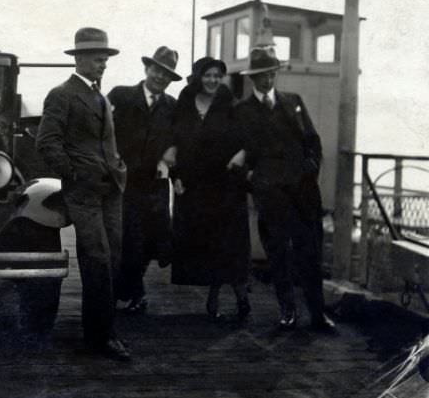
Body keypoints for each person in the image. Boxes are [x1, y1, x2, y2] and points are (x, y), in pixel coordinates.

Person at [36, 27, 130, 362]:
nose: (103, 62)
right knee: (97, 259)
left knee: (113, 258)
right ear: (78, 59)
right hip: (84, 191)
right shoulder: (62, 94)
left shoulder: (100, 96)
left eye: (105, 58)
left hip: (111, 190)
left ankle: (103, 330)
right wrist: (75, 174)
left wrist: (117, 167)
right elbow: (47, 141)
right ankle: (100, 338)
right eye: (96, 57)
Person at [234, 47, 335, 332]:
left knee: (310, 252)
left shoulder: (294, 102)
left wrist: (310, 171)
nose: (267, 80)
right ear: (252, 77)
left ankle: (318, 314)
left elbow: (312, 141)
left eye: (271, 73)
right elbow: (234, 155)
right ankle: (287, 310)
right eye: (261, 75)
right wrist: (254, 181)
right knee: (278, 252)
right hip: (270, 193)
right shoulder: (241, 111)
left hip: (303, 191)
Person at [168, 56, 251, 322]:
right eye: (208, 75)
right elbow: (173, 141)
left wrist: (242, 154)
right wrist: (175, 175)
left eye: (218, 75)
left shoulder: (229, 102)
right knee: (207, 244)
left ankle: (242, 297)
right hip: (195, 185)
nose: (213, 80)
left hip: (226, 184)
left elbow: (249, 137)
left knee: (231, 243)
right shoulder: (184, 101)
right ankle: (213, 295)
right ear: (198, 76)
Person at [107, 45, 181, 315]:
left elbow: (180, 137)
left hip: (156, 184)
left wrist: (173, 151)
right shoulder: (121, 95)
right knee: (128, 240)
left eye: (166, 74)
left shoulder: (172, 106)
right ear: (147, 68)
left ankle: (129, 292)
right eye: (157, 70)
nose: (160, 77)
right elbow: (103, 131)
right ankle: (130, 294)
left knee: (155, 241)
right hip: (125, 183)